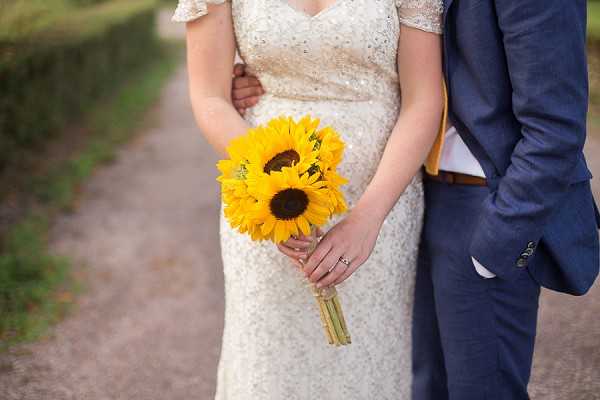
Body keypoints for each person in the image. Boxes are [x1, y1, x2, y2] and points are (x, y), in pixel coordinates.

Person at [233, 0, 600, 399]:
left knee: (482, 390)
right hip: (417, 200)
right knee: (425, 387)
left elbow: (557, 129)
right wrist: (283, 69)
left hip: (485, 204)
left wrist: (496, 244)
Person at [172, 0, 445, 398]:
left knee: (365, 364)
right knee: (269, 365)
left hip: (381, 201)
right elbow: (209, 97)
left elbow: (423, 101)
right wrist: (272, 193)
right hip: (264, 194)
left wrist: (368, 220)